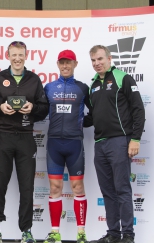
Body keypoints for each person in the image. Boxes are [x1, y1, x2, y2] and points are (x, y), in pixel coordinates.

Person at [0, 41, 49, 243]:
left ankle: (26, 231)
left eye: (20, 54)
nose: (17, 58)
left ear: (26, 55)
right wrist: (0, 108)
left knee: (27, 186)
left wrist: (32, 108)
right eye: (13, 55)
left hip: (26, 137)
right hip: (3, 137)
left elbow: (44, 108)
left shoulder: (34, 79)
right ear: (8, 55)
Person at [87, 45, 145, 243]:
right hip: (100, 143)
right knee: (108, 191)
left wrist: (135, 139)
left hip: (120, 141)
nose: (97, 63)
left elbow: (138, 109)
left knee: (122, 189)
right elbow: (92, 117)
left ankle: (128, 234)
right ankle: (113, 234)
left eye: (100, 59)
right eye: (93, 60)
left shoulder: (122, 77)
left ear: (109, 58)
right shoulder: (93, 84)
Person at [43, 50, 90, 243]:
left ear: (75, 64)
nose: (65, 66)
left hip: (74, 144)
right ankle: (55, 232)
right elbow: (39, 110)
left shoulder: (83, 88)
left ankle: (81, 233)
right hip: (54, 143)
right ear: (57, 64)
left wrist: (82, 123)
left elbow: (96, 112)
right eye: (62, 63)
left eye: (68, 63)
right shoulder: (49, 88)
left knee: (77, 187)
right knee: (55, 187)